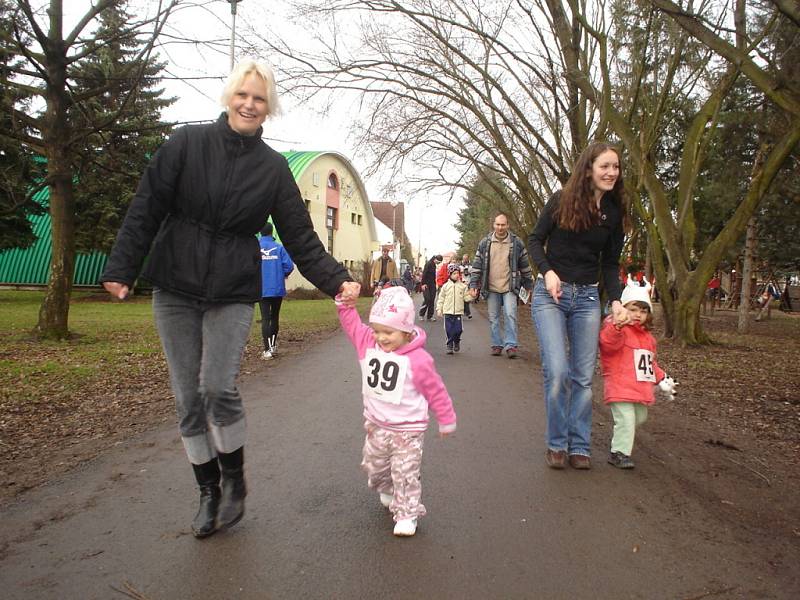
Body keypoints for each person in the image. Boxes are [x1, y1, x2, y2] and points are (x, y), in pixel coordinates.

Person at [100, 59, 360, 539]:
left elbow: (301, 236)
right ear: (229, 96)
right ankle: (207, 491)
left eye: (259, 99)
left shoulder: (274, 169)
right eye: (243, 94)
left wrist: (335, 279)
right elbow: (147, 205)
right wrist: (121, 267)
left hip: (233, 290)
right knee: (187, 398)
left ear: (269, 108)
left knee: (217, 386)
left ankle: (235, 476)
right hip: (175, 285)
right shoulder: (186, 144)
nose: (249, 104)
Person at [529, 141, 629, 470]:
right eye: (605, 166)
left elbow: (611, 263)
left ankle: (580, 444)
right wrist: (548, 272)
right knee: (558, 372)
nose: (611, 172)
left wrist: (615, 300)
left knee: (583, 378)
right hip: (551, 297)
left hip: (587, 298)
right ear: (589, 169)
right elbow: (534, 240)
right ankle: (557, 443)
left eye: (615, 167)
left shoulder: (613, 213)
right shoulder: (561, 201)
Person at [336, 286, 456, 536]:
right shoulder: (368, 344)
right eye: (377, 330)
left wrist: (446, 419)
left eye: (388, 332)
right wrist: (345, 305)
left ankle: (407, 514)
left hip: (408, 429)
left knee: (406, 472)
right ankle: (387, 487)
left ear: (406, 331)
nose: (381, 337)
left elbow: (436, 391)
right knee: (375, 466)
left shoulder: (419, 360)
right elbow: (353, 326)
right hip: (376, 425)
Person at [599, 280, 676, 469]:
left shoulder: (648, 338)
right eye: (633, 309)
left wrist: (662, 377)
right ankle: (619, 452)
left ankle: (622, 438)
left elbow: (650, 363)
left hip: (639, 389)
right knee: (626, 418)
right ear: (623, 308)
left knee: (639, 417)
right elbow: (607, 344)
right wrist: (616, 326)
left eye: (643, 311)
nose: (637, 315)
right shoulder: (618, 330)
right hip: (620, 385)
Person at [468, 213, 533, 358]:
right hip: (490, 287)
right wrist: (473, 284)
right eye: (498, 224)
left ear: (508, 225)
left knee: (510, 314)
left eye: (503, 225)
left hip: (510, 286)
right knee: (494, 317)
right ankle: (496, 344)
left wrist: (528, 285)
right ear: (494, 225)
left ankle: (511, 345)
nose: (500, 227)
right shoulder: (485, 243)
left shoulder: (516, 243)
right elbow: (477, 265)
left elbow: (525, 266)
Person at [258, 222, 294, 360]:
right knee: (274, 317)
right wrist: (281, 274)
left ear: (260, 233)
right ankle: (272, 346)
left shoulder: (256, 248)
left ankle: (266, 350)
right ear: (271, 232)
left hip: (262, 289)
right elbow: (289, 266)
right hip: (277, 288)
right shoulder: (279, 248)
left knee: (265, 318)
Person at [436, 263, 473, 354]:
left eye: (458, 273)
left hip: (458, 312)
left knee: (458, 330)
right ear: (450, 274)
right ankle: (449, 344)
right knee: (449, 330)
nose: (457, 275)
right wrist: (439, 309)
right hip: (447, 312)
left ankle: (456, 341)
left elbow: (466, 298)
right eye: (454, 273)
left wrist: (472, 296)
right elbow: (441, 298)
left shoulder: (463, 286)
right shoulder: (445, 286)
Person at [418, 254, 442, 321]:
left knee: (432, 300)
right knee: (427, 299)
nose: (438, 263)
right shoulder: (428, 264)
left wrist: (435, 285)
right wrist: (423, 284)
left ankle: (430, 316)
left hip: (432, 285)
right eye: (439, 262)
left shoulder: (434, 265)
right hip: (426, 284)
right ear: (436, 259)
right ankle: (421, 314)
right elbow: (424, 274)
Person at [459, 253, 473, 318]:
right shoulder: (459, 266)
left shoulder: (470, 266)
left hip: (468, 283)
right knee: (461, 298)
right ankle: (463, 312)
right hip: (461, 283)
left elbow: (472, 274)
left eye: (466, 259)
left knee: (467, 298)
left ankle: (468, 313)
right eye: (464, 259)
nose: (465, 260)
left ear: (468, 259)